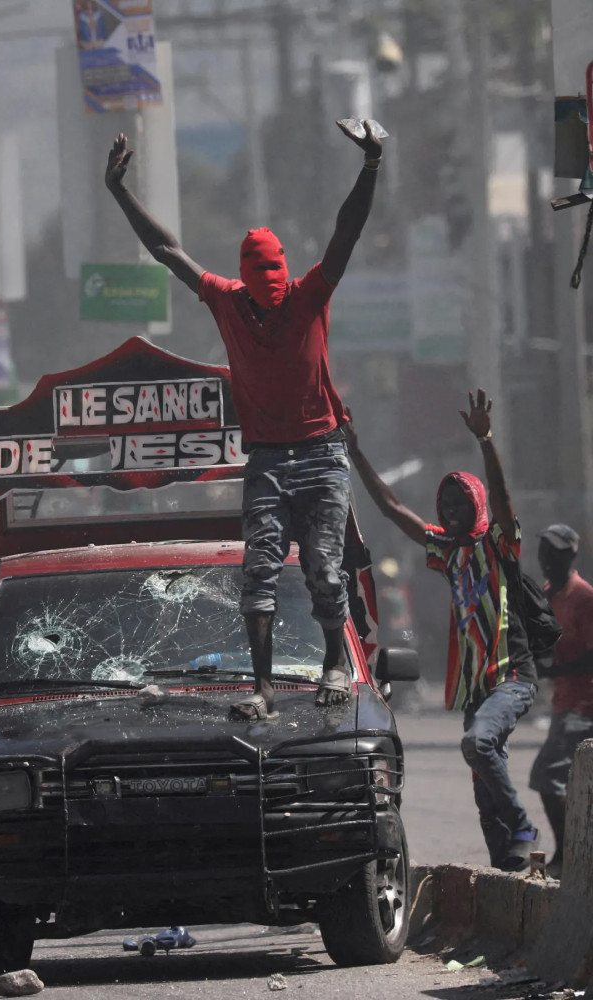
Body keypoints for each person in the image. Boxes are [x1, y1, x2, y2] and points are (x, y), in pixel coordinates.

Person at [104, 120, 383, 720]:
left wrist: (370, 166)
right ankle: (262, 689)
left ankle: (335, 661)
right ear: (247, 284)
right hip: (265, 458)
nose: (271, 299)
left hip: (320, 453)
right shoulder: (227, 300)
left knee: (324, 571)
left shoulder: (308, 295)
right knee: (257, 570)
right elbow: (166, 250)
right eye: (262, 291)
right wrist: (119, 191)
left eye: (276, 288)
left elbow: (345, 232)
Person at [344, 389, 542, 871]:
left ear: (475, 505)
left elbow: (502, 498)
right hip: (478, 689)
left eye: (459, 503)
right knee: (481, 787)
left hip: (511, 677)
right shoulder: (446, 552)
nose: (450, 510)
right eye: (444, 503)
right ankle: (509, 868)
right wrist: (354, 451)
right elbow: (392, 508)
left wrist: (486, 440)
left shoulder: (499, 544)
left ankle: (523, 824)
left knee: (477, 745)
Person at [528, 523, 593, 878]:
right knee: (570, 783)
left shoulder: (584, 597)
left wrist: (555, 670)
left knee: (548, 776)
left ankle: (569, 856)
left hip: (584, 705)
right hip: (563, 704)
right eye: (543, 552)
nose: (546, 560)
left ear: (569, 555)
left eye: (553, 553)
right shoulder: (547, 593)